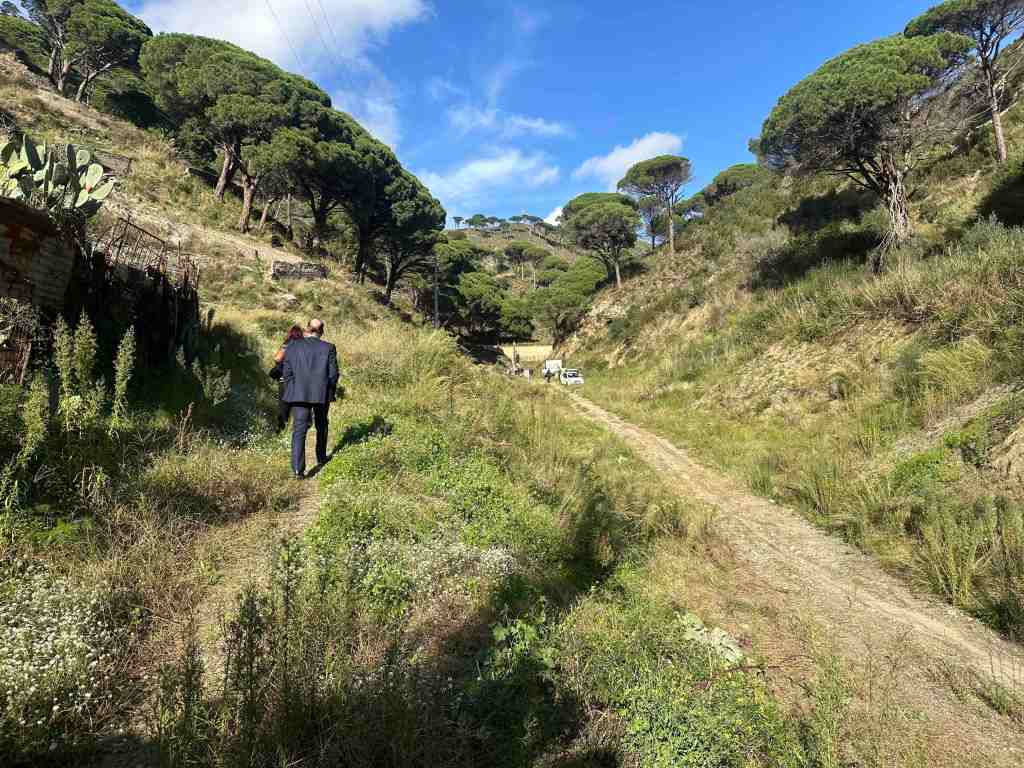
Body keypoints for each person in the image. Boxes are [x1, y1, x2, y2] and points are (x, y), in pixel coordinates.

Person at [281, 319, 339, 479]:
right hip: (321, 394)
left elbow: (286, 371)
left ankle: (298, 470)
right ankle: (321, 457)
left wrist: (292, 388)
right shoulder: (329, 348)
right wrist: (329, 391)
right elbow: (333, 375)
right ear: (322, 331)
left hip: (298, 393)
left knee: (299, 430)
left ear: (308, 328)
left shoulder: (293, 346)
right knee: (322, 424)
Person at [269, 325, 304, 432]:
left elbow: (277, 359)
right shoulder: (304, 345)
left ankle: (281, 429)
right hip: (299, 380)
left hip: (284, 379)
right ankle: (296, 429)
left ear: (290, 334)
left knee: (283, 406)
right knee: (297, 406)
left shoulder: (287, 344)